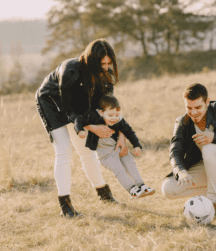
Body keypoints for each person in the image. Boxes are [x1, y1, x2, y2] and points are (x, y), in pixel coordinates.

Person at [35, 39, 128, 218]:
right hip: (52, 102)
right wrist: (90, 126)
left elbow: (108, 111)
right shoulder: (69, 70)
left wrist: (120, 134)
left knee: (87, 151)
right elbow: (68, 109)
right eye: (102, 64)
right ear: (92, 62)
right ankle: (65, 206)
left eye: (109, 64)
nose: (106, 68)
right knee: (63, 150)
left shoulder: (106, 78)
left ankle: (104, 195)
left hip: (76, 108)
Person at [161, 83, 216, 214]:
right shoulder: (183, 122)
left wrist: (215, 137)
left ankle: (213, 202)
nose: (193, 112)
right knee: (168, 189)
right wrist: (181, 171)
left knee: (209, 148)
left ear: (207, 102)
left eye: (198, 107)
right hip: (206, 167)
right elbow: (175, 150)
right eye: (189, 108)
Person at [75, 95, 155, 199]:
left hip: (118, 149)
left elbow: (129, 131)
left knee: (130, 163)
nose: (114, 118)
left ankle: (141, 185)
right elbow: (78, 119)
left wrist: (137, 146)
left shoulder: (118, 120)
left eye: (117, 115)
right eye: (111, 115)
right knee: (119, 169)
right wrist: (80, 131)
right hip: (106, 156)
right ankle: (132, 189)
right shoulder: (93, 117)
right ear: (101, 112)